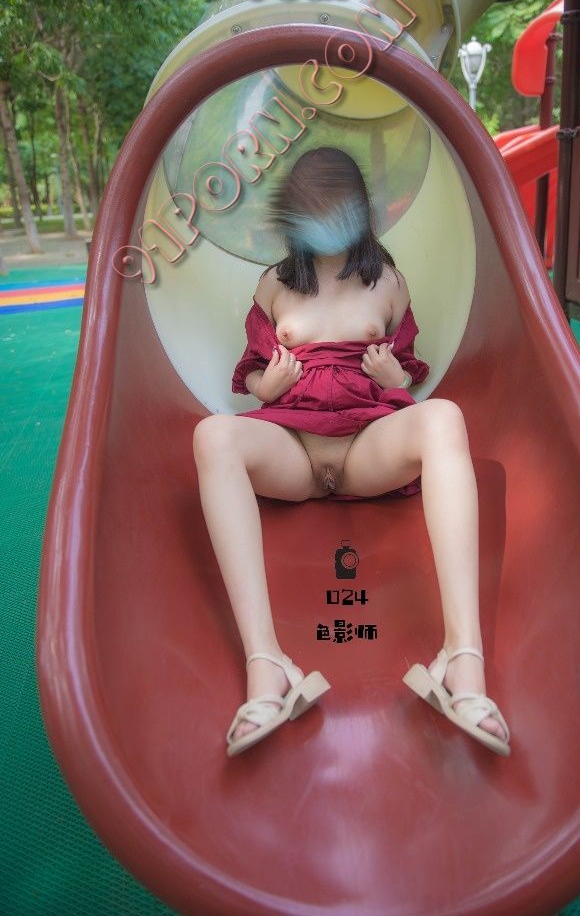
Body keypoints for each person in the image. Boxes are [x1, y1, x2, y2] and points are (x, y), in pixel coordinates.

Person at [192, 147, 510, 757]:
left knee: (443, 417)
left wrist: (396, 378)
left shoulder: (387, 282)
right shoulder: (275, 284)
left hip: (365, 446)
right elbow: (253, 372)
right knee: (213, 435)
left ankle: (462, 657)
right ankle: (267, 665)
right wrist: (268, 386)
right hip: (293, 446)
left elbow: (407, 370)